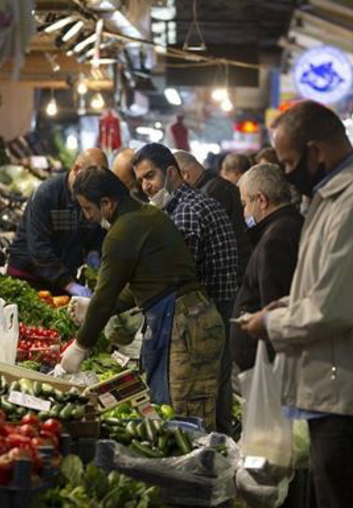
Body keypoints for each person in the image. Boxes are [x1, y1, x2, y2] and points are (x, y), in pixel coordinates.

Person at [241, 101, 353, 508]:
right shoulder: (343, 194)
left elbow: (338, 306)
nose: (285, 173)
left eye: (288, 162)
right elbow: (334, 283)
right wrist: (284, 306)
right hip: (346, 391)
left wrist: (272, 325)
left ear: (316, 151)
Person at [59, 166, 224, 429]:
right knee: (180, 414)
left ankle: (191, 469)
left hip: (181, 327)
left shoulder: (121, 233)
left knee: (182, 422)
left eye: (88, 208)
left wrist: (80, 346)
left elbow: (106, 293)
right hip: (194, 319)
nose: (87, 217)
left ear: (106, 203)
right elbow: (141, 284)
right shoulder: (148, 215)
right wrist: (98, 308)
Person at [132, 143, 238, 434]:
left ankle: (206, 464)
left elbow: (172, 277)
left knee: (196, 404)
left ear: (170, 172)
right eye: (141, 180)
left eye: (150, 176)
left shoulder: (186, 211)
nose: (146, 186)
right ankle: (221, 456)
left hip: (203, 317)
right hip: (212, 316)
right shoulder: (188, 204)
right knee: (215, 395)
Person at [231, 163, 303, 371]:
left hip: (266, 365)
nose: (244, 212)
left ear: (261, 200)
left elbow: (274, 304)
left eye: (245, 203)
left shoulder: (276, 238)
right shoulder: (290, 224)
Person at [7, 148, 107, 297]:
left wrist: (94, 252)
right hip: (28, 277)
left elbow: (96, 231)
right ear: (76, 169)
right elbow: (39, 248)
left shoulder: (90, 196)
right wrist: (69, 284)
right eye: (89, 179)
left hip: (60, 280)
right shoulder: (46, 194)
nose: (93, 186)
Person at [174, 150, 252, 284]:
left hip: (231, 277)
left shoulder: (210, 194)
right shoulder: (217, 186)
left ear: (185, 175)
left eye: (173, 180)